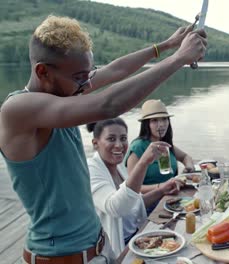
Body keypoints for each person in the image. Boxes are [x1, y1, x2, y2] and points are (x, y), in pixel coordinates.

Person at [0, 15, 206, 263]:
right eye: (80, 77)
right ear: (43, 71)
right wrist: (179, 59)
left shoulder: (66, 91)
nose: (86, 84)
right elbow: (108, 104)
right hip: (58, 257)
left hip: (97, 248)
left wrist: (166, 45)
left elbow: (115, 70)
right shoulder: (18, 110)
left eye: (88, 75)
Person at [87, 118, 181, 256]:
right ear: (96, 143)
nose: (119, 145)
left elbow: (134, 204)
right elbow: (116, 207)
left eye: (123, 138)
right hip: (116, 249)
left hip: (138, 237)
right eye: (111, 139)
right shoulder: (91, 170)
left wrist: (162, 190)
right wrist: (143, 162)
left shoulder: (119, 166)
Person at [125, 99, 194, 194]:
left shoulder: (164, 143)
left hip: (172, 195)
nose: (161, 124)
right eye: (154, 120)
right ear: (146, 124)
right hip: (149, 203)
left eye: (164, 119)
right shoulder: (138, 147)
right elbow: (131, 187)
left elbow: (185, 157)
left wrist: (189, 168)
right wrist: (161, 187)